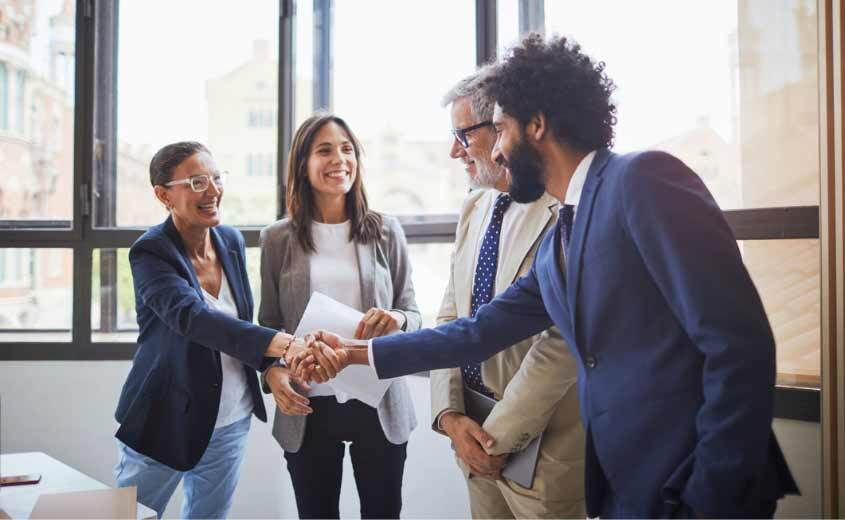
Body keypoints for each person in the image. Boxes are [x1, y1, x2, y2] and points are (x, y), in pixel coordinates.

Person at [296, 34, 800, 518]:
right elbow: (476, 332)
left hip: (694, 486)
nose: (494, 151)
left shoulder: (643, 180)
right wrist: (352, 355)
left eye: (502, 129)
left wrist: (712, 497)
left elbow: (740, 346)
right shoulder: (564, 232)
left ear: (536, 125)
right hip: (628, 488)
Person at [114, 141, 300, 519]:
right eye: (197, 181)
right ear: (163, 195)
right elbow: (191, 317)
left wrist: (270, 365)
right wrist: (276, 343)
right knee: (128, 516)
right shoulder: (151, 252)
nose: (213, 190)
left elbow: (240, 324)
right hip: (165, 419)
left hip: (230, 420)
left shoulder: (229, 240)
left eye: (216, 178)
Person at [431, 71, 585, 518]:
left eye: (464, 135)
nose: (454, 151)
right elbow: (450, 316)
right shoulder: (474, 205)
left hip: (543, 450)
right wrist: (449, 416)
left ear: (504, 127)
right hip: (470, 434)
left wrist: (495, 437)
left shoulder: (564, 210)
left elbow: (561, 345)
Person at [259, 113, 421, 519]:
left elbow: (414, 314)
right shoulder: (277, 238)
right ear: (303, 163)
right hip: (308, 403)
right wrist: (273, 372)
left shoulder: (386, 230)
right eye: (325, 150)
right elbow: (267, 326)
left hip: (378, 401)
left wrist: (397, 320)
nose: (340, 159)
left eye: (347, 149)